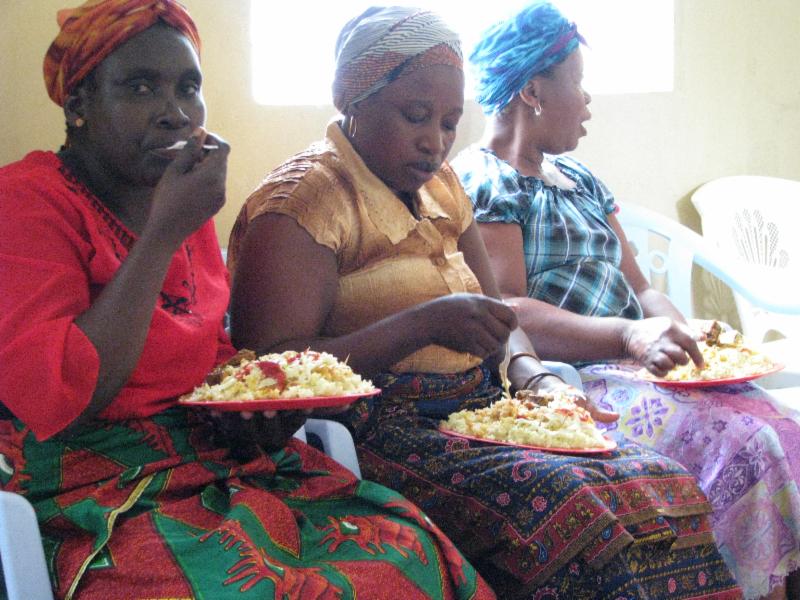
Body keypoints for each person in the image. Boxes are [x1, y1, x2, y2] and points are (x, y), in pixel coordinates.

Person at [227, 6, 742, 599]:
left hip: (484, 406)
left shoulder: (440, 184)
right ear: (354, 98)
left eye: (449, 122)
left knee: (659, 484)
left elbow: (498, 313)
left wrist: (534, 377)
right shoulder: (303, 203)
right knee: (573, 511)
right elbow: (268, 369)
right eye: (415, 116)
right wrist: (421, 326)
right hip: (384, 427)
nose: (435, 142)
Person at [0, 2, 498, 599]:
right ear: (77, 104)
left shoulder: (179, 207)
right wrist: (162, 233)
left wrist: (261, 412)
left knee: (408, 553)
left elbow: (216, 365)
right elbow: (63, 396)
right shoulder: (30, 203)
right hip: (88, 480)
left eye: (189, 87)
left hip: (211, 460)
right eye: (140, 87)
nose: (175, 113)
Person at [451, 3, 800, 599]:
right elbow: (507, 306)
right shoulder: (485, 182)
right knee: (747, 441)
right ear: (533, 90)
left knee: (781, 424)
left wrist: (680, 333)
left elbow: (642, 287)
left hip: (637, 357)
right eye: (579, 84)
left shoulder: (579, 179)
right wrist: (629, 336)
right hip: (576, 373)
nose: (588, 101)